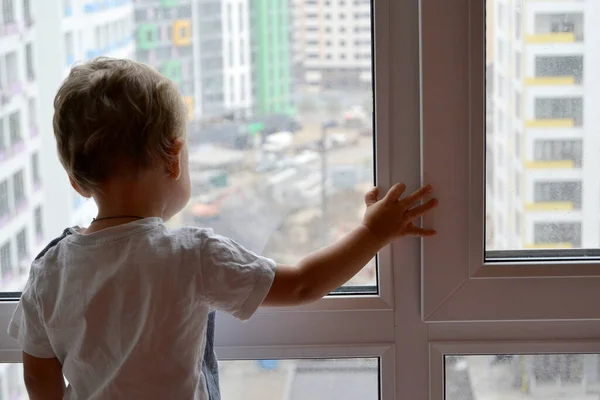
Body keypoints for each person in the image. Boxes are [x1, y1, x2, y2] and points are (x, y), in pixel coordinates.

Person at [8, 58, 438, 400]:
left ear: (76, 179)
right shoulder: (192, 255)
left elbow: (40, 378)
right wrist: (374, 233)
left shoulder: (50, 271)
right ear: (175, 159)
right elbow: (304, 284)